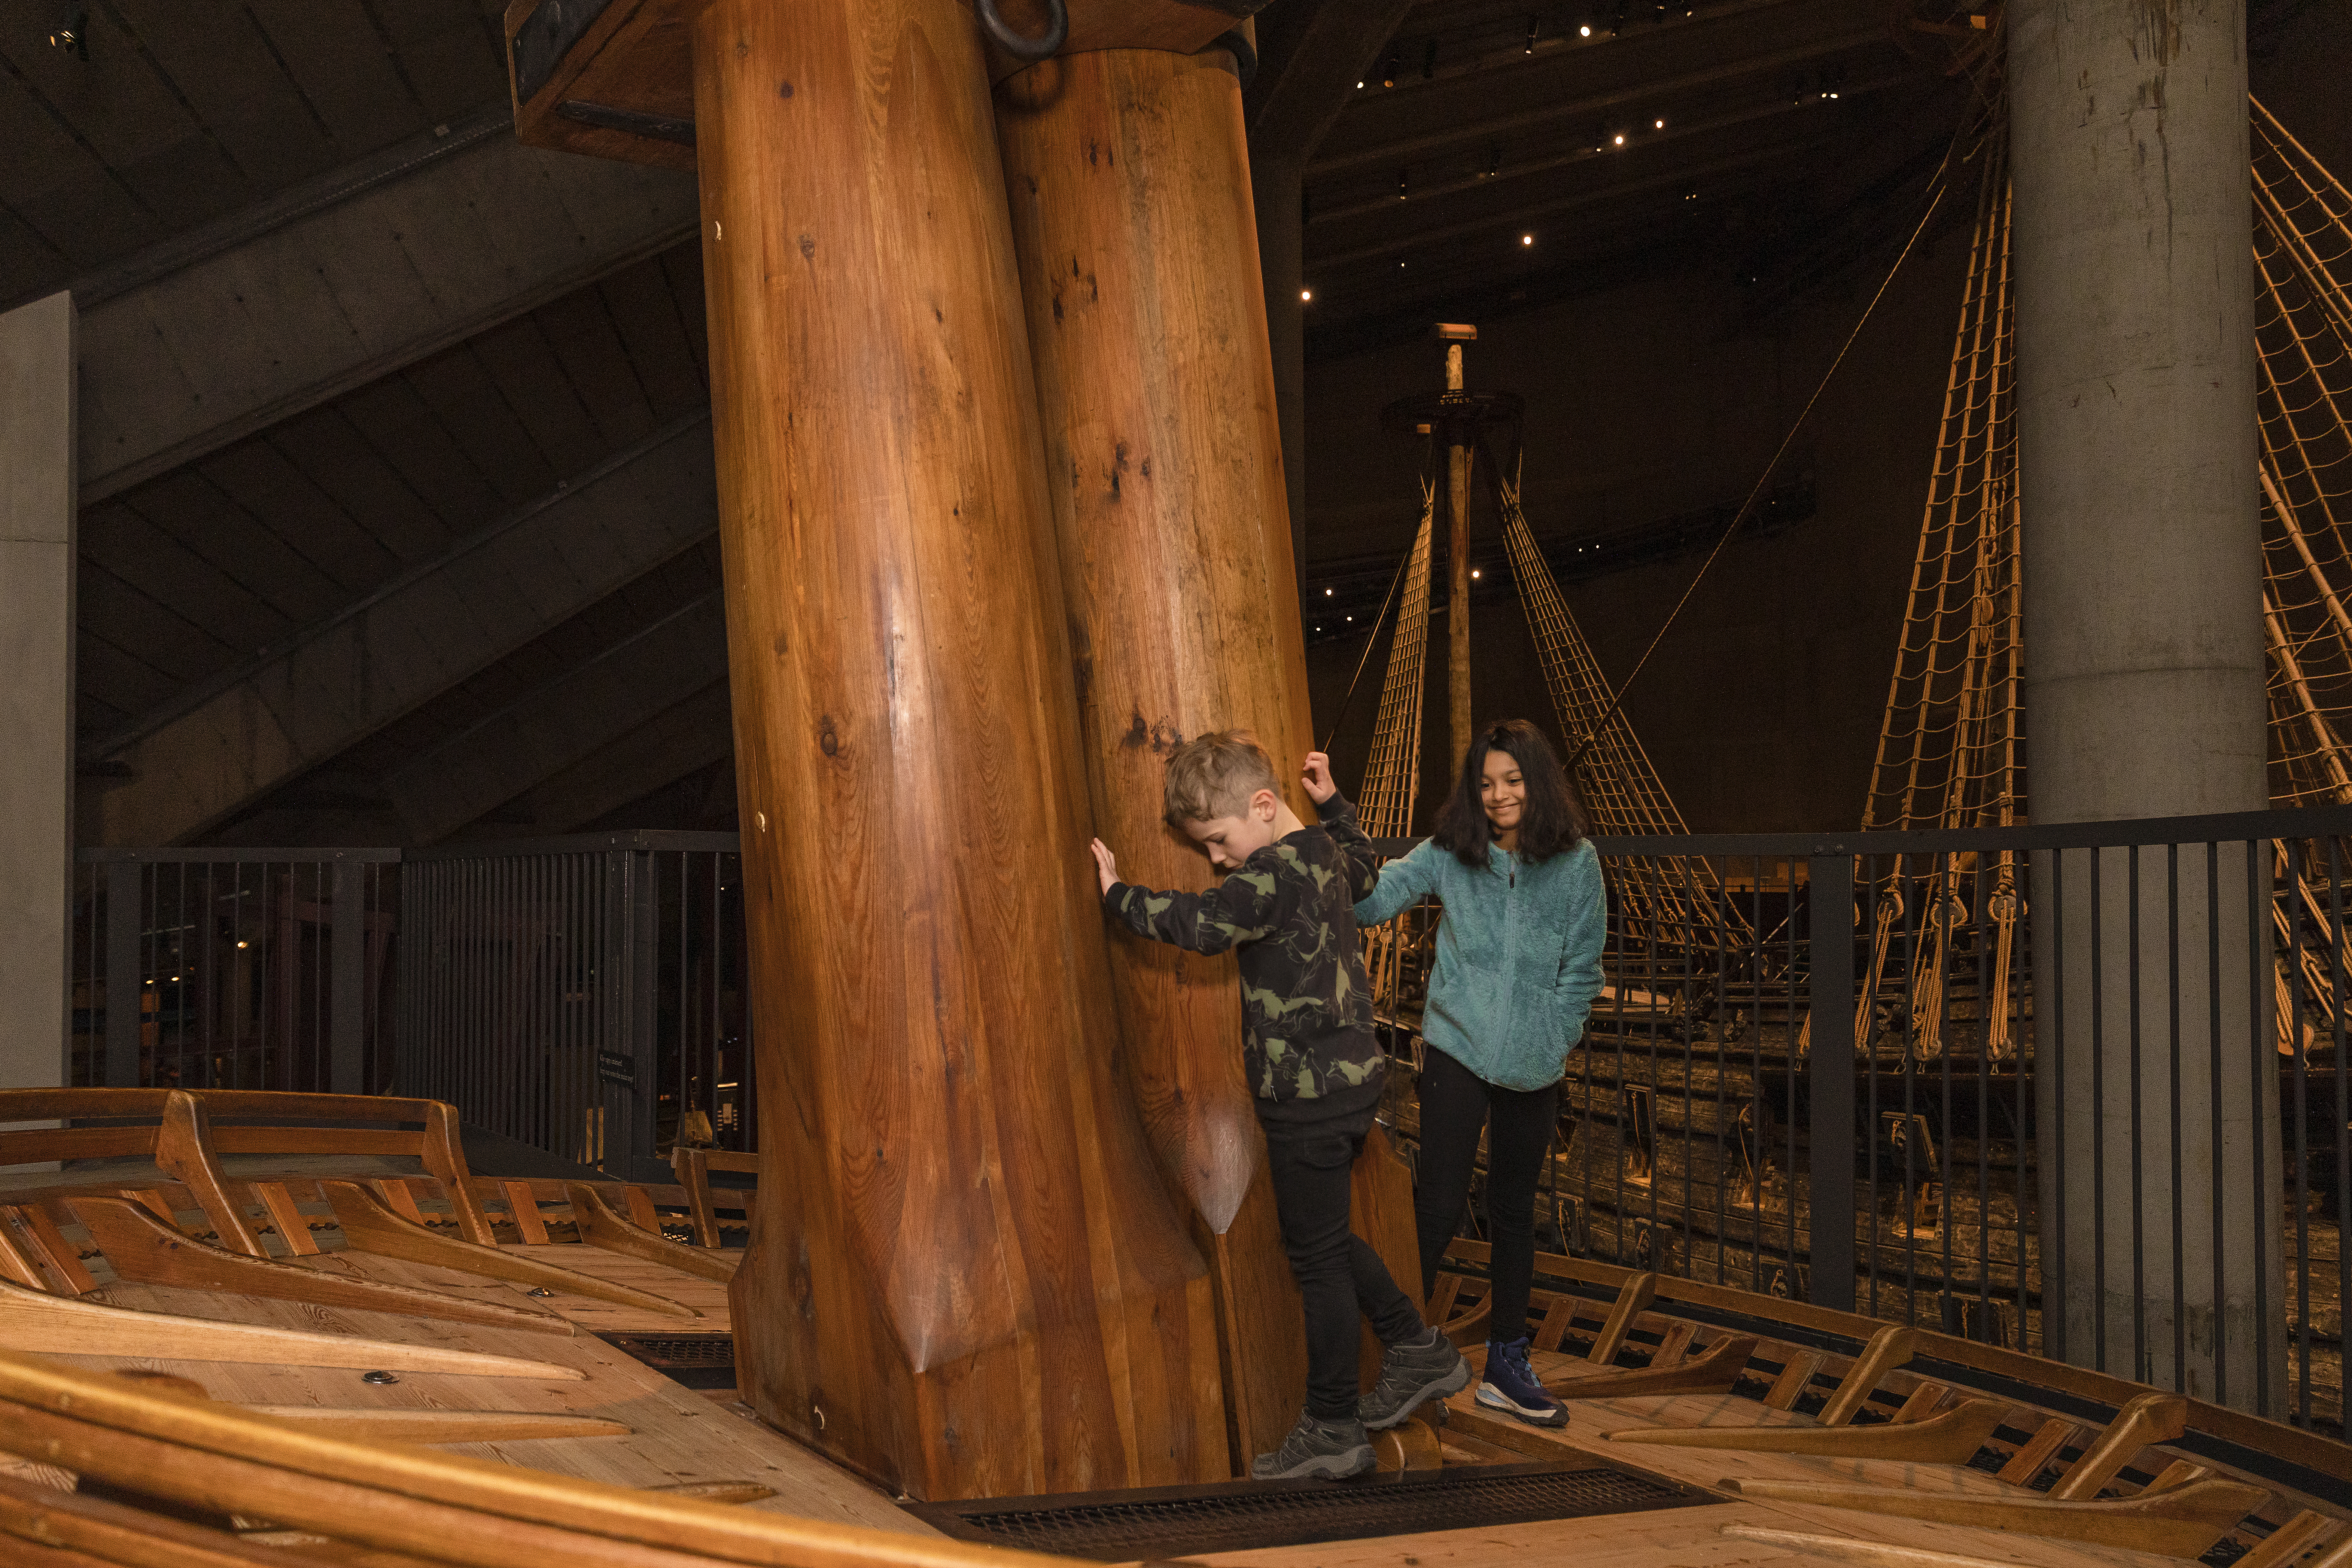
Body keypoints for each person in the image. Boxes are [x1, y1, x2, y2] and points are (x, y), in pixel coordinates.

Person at [1090, 730, 1471, 1479]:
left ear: (1263, 807)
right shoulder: (1323, 854)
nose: (1217, 858)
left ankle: (1332, 1423)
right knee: (1321, 1240)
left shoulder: (1267, 878)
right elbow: (1365, 866)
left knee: (1317, 1259)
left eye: (1219, 839)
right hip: (1353, 1082)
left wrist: (1114, 895)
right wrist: (1332, 804)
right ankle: (1415, 1345)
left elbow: (1199, 924)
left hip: (1305, 1096)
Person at [1317, 718, 1605, 1428]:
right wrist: (1332, 814)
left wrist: (1554, 1036)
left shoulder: (1577, 864)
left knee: (1513, 1214)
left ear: (1537, 784)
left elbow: (1584, 972)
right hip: (1456, 1051)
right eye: (1487, 783)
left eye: (1513, 780)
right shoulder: (1451, 851)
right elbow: (1372, 901)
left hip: (1534, 1068)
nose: (1501, 795)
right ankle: (1402, 1351)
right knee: (1438, 1203)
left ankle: (1507, 1363)